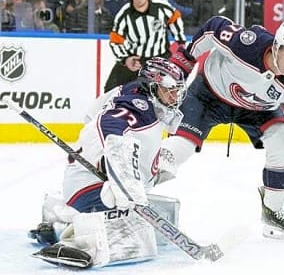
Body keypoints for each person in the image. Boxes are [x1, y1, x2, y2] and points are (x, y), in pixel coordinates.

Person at [159, 16, 284, 240]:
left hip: (257, 109)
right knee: (179, 147)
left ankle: (273, 212)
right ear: (276, 47)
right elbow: (213, 27)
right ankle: (135, 185)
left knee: (283, 142)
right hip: (208, 95)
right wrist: (186, 59)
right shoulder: (248, 44)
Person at [28, 58, 188, 268]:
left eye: (176, 91)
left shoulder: (127, 91)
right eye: (169, 90)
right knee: (139, 236)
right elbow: (110, 126)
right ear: (151, 85)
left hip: (89, 179)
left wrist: (140, 168)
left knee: (160, 215)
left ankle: (61, 218)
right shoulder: (138, 107)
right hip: (90, 186)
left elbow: (90, 117)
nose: (174, 97)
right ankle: (75, 241)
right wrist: (122, 176)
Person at [105, 0, 187, 93]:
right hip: (136, 59)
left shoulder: (161, 7)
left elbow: (175, 18)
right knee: (110, 90)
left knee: (168, 91)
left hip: (160, 58)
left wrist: (180, 42)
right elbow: (115, 40)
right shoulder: (124, 13)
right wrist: (125, 59)